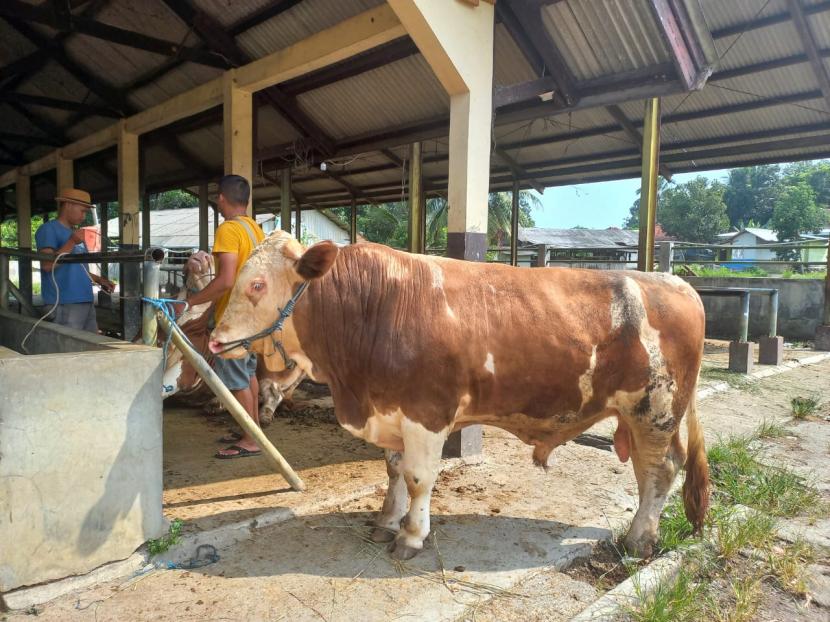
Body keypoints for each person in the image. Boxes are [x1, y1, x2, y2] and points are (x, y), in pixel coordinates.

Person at [179, 175, 265, 459]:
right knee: (248, 373)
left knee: (235, 380)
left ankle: (250, 440)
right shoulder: (254, 229)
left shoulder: (228, 229)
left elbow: (226, 280)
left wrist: (189, 302)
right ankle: (251, 432)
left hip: (233, 318)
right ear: (247, 200)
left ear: (221, 198)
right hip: (253, 315)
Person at [35, 188, 114, 333]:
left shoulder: (75, 234)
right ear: (68, 205)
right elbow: (47, 265)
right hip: (65, 302)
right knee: (69, 350)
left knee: (90, 345)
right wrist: (71, 242)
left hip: (85, 299)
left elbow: (78, 268)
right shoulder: (48, 230)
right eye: (82, 211)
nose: (84, 216)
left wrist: (99, 280)